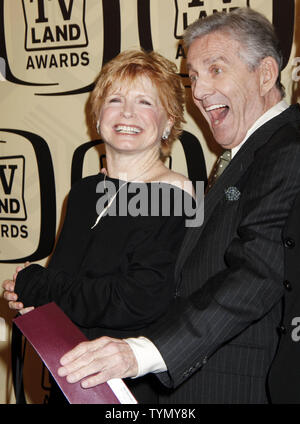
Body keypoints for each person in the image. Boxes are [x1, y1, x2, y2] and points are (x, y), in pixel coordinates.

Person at [55, 8, 300, 404]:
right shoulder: (89, 192)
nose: (200, 91)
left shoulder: (284, 150)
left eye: (216, 70)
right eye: (195, 77)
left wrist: (144, 352)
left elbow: (255, 275)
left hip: (215, 381)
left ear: (266, 74)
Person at [2, 49, 196, 403]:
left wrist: (39, 286)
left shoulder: (176, 195)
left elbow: (135, 301)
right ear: (98, 114)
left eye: (144, 102)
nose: (126, 113)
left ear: (169, 121)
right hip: (68, 381)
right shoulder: (84, 194)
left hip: (129, 392)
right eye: (115, 99)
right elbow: (65, 285)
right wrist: (31, 296)